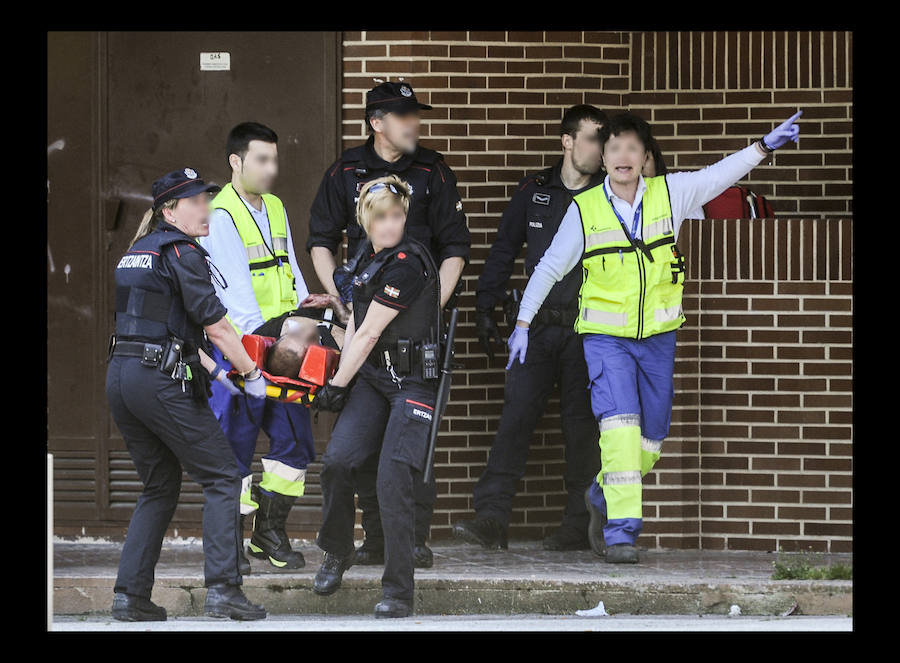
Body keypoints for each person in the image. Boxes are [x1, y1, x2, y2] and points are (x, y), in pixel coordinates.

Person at [509, 110, 803, 564]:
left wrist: (763, 147)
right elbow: (549, 266)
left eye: (632, 148)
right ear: (603, 159)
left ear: (645, 157)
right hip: (606, 340)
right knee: (621, 428)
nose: (623, 156)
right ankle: (621, 534)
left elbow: (720, 174)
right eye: (613, 149)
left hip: (659, 339)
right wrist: (524, 322)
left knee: (652, 439)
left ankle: (602, 491)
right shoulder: (584, 209)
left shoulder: (672, 193)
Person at [307, 80, 470, 568]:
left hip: (414, 328)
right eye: (404, 116)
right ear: (377, 123)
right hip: (366, 326)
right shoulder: (345, 171)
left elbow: (456, 248)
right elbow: (321, 239)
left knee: (409, 450)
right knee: (357, 452)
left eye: (415, 114)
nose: (414, 123)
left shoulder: (432, 171)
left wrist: (429, 304)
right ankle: (375, 539)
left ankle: (412, 540)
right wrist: (342, 299)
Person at [106, 167, 267, 621]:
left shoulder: (138, 252)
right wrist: (251, 372)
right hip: (157, 380)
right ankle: (223, 590)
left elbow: (167, 327)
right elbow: (215, 326)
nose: (206, 207)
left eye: (206, 199)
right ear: (170, 210)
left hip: (123, 377)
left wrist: (220, 375)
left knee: (159, 484)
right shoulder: (182, 251)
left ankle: (129, 596)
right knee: (221, 476)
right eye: (196, 201)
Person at [452, 105, 607, 552]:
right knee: (515, 420)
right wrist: (486, 308)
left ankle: (578, 526)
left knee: (581, 431)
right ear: (567, 140)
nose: (600, 149)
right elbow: (504, 249)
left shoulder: (606, 195)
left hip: (586, 330)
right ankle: (492, 520)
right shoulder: (533, 191)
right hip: (535, 330)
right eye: (593, 138)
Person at [310, 175, 442, 618]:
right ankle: (337, 549)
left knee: (392, 478)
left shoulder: (407, 262)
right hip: (373, 378)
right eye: (381, 217)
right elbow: (353, 326)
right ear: (365, 220)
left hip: (411, 383)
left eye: (397, 216)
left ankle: (398, 592)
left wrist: (336, 386)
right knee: (338, 463)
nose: (390, 225)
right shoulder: (370, 256)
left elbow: (368, 334)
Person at [199, 122, 315, 572]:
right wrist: (270, 348)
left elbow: (291, 271)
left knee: (294, 442)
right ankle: (230, 543)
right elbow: (235, 299)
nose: (272, 169)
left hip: (286, 346)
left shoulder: (276, 206)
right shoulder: (221, 213)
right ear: (236, 161)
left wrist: (308, 317)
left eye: (275, 158)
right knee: (235, 446)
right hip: (244, 350)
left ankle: (268, 534)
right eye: (261, 160)